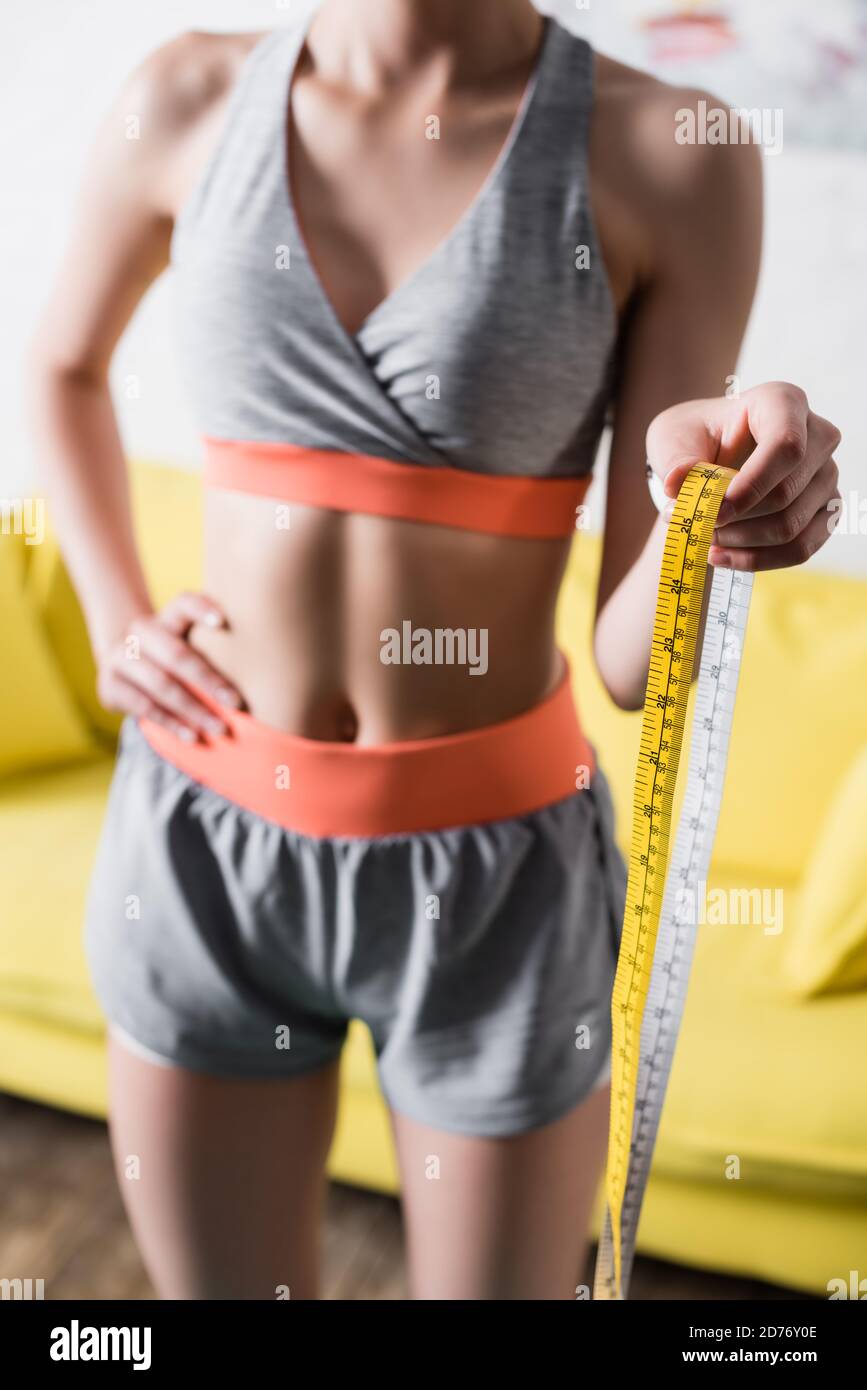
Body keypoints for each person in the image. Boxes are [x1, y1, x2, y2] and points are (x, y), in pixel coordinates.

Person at [27, 0, 841, 1300]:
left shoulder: (670, 150)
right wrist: (120, 620)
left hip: (497, 884)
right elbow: (61, 365)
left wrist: (718, 515)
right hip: (203, 841)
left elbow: (632, 661)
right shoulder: (184, 93)